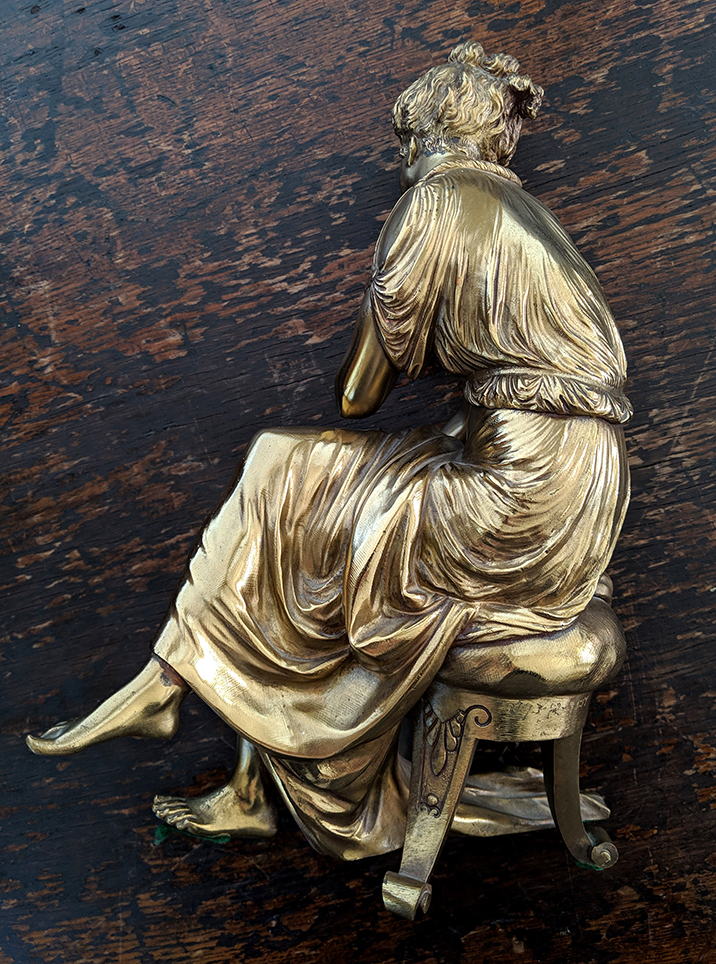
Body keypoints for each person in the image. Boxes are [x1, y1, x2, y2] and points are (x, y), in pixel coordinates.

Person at [27, 41, 631, 860]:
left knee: (287, 474)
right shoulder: (518, 211)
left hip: (518, 493)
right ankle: (217, 750)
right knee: (291, 483)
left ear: (421, 133)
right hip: (572, 487)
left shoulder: (437, 201)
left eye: (404, 139)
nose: (403, 156)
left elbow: (358, 394)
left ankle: (170, 683)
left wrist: (389, 294)